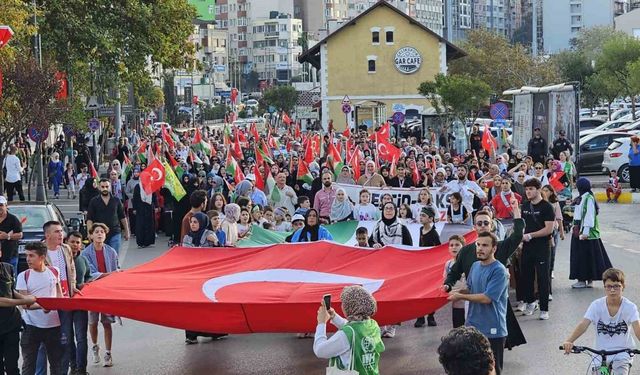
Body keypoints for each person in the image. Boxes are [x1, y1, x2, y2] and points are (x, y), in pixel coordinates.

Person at [443, 201, 526, 350]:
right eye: (479, 223)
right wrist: (448, 284)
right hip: (473, 300)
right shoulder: (466, 251)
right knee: (474, 341)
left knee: (495, 341)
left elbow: (518, 235)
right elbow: (455, 271)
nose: (482, 226)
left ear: (491, 225)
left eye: (485, 223)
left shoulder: (500, 246)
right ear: (474, 227)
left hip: (494, 300)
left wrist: (516, 211)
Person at [447, 232, 509, 375]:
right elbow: (470, 288)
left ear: (494, 249)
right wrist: (455, 292)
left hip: (493, 331)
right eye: (478, 245)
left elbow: (487, 298)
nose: (480, 248)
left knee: (492, 371)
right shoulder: (475, 266)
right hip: (473, 327)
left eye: (485, 245)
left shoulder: (499, 270)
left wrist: (460, 296)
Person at [562, 268, 640, 375]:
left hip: (623, 353)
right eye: (609, 286)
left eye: (616, 286)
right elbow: (583, 325)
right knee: (601, 373)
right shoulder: (596, 305)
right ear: (604, 287)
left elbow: (637, 329)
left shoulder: (630, 307)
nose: (612, 290)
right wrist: (569, 341)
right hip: (600, 354)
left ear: (623, 287)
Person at [313, 285, 385, 375]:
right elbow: (355, 328)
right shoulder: (373, 325)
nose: (342, 305)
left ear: (350, 307)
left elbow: (320, 350)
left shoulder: (346, 335)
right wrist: (334, 316)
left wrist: (321, 323)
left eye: (343, 303)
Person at [16, 241, 64, 375]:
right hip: (31, 326)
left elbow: (59, 295)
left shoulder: (55, 271)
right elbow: (24, 303)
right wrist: (43, 306)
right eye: (27, 255)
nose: (28, 259)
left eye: (32, 256)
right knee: (29, 365)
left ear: (42, 257)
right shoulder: (23, 276)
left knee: (56, 365)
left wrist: (58, 305)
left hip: (54, 325)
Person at [82, 223, 119, 368]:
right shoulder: (86, 253)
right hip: (92, 291)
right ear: (91, 235)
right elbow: (90, 274)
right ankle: (95, 346)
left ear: (106, 234)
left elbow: (117, 269)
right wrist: (111, 275)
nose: (99, 234)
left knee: (107, 322)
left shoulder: (111, 252)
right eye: (96, 232)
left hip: (107, 291)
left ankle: (108, 353)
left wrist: (115, 277)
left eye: (102, 232)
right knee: (92, 322)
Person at [519, 178, 555, 320]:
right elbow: (522, 225)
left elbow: (548, 229)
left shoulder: (547, 207)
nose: (528, 192)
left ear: (538, 190)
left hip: (542, 247)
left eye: (531, 189)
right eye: (526, 189)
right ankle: (530, 302)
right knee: (526, 276)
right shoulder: (525, 206)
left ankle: (544, 308)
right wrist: (521, 238)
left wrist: (531, 236)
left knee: (542, 277)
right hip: (527, 247)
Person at [570, 178, 613, 289]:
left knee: (583, 257)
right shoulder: (581, 198)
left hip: (585, 233)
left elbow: (589, 216)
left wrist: (585, 232)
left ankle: (584, 280)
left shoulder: (588, 198)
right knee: (588, 257)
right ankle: (587, 280)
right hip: (579, 230)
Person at [0, 246, 37, 375]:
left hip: (11, 325)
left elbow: (11, 291)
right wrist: (24, 301)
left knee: (12, 366)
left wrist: (30, 299)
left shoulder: (7, 268)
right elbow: (1, 300)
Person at [66, 231, 91, 375]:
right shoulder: (61, 260)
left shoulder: (84, 260)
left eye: (78, 242)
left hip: (80, 303)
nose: (75, 245)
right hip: (65, 304)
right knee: (68, 338)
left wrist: (85, 285)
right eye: (72, 242)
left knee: (81, 338)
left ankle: (82, 369)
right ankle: (73, 366)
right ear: (66, 242)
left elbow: (88, 276)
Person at [86, 178, 130, 254]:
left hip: (115, 232)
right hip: (99, 233)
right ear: (99, 187)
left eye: (107, 186)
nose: (105, 189)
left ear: (110, 187)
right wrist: (90, 233)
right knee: (102, 255)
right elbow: (89, 219)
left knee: (114, 255)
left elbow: (123, 217)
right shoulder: (94, 201)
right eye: (102, 187)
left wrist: (127, 231)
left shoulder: (116, 200)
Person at [415, 206, 440, 328]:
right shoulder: (420, 230)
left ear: (430, 219)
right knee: (420, 291)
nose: (421, 218)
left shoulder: (434, 233)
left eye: (424, 216)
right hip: (421, 266)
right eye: (420, 215)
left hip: (431, 266)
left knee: (430, 292)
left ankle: (431, 315)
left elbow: (439, 249)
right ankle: (420, 316)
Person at [444, 235, 466, 329]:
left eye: (457, 244)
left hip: (469, 303)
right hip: (456, 305)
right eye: (451, 245)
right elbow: (445, 281)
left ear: (463, 247)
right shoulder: (448, 264)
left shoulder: (468, 263)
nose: (454, 247)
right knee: (458, 331)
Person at [0, 196, 23, 278]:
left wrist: (7, 236)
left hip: (10, 255)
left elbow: (20, 234)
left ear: (6, 206)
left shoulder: (13, 219)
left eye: (1, 205)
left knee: (11, 278)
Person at [132, 180, 156, 248]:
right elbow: (135, 197)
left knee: (149, 224)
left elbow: (154, 196)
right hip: (140, 207)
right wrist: (134, 208)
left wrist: (156, 206)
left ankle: (148, 241)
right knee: (140, 224)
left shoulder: (151, 186)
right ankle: (140, 242)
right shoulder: (138, 186)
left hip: (149, 207)